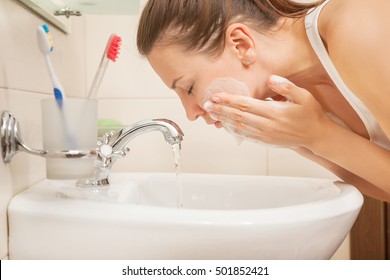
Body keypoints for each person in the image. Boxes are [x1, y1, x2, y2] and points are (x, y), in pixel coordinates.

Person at [136, 0, 390, 201]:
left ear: (241, 44)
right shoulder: (295, 97)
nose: (190, 114)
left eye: (189, 87)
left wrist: (319, 135)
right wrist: (303, 142)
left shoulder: (354, 25)